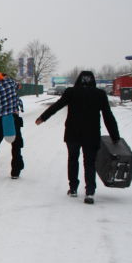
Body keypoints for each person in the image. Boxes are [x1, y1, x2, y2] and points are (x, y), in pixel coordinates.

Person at [35, 70, 120, 204]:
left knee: (73, 159)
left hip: (73, 133)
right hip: (91, 135)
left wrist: (42, 118)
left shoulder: (71, 92)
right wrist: (115, 136)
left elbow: (57, 106)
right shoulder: (100, 94)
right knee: (90, 163)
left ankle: (73, 188)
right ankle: (90, 192)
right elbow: (108, 116)